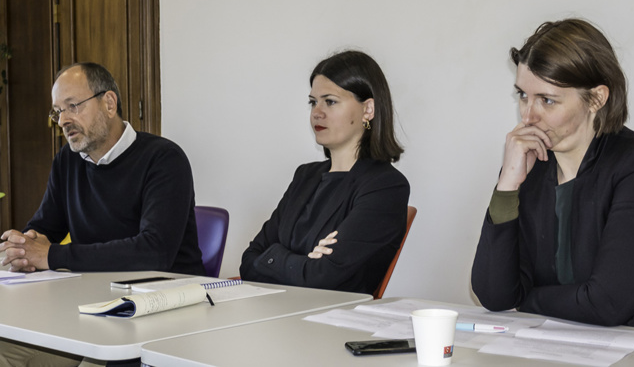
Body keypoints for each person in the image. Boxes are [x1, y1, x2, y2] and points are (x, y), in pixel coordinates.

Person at [0, 62, 205, 366]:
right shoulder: (67, 161)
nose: (63, 120)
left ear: (109, 103)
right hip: (86, 311)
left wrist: (51, 256)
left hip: (156, 317)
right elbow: (45, 227)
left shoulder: (164, 159)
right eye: (58, 111)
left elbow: (154, 251)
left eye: (73, 106)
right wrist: (23, 246)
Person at [471, 18, 634, 329]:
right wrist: (507, 184)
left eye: (547, 100)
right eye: (523, 95)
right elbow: (494, 295)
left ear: (597, 99)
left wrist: (526, 300)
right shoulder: (530, 165)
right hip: (555, 347)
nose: (528, 116)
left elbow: (607, 304)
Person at [240, 50, 410, 294]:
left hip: (333, 325)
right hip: (278, 314)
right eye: (313, 102)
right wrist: (305, 262)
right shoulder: (305, 176)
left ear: (368, 110)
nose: (317, 112)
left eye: (330, 101)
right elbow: (249, 260)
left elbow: (324, 279)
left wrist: (275, 256)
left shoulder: (385, 186)